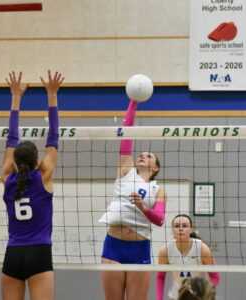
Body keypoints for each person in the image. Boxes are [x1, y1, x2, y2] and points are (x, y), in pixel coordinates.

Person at [0, 71, 63, 300]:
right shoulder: (44, 175)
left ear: (14, 162)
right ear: (37, 160)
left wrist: (15, 98)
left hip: (13, 253)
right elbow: (53, 137)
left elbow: (10, 140)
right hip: (39, 252)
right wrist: (52, 95)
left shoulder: (7, 178)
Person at [98, 97, 167, 300]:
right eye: (141, 154)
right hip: (113, 246)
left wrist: (143, 208)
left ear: (156, 168)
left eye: (149, 156)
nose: (142, 156)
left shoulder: (158, 190)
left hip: (139, 249)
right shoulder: (126, 170)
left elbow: (160, 220)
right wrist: (133, 103)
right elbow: (126, 134)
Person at [156, 214, 220, 300]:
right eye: (177, 226)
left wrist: (204, 290)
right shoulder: (165, 250)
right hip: (176, 296)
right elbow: (160, 277)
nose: (180, 229)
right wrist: (159, 299)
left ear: (191, 230)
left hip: (198, 297)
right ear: (172, 230)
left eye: (185, 226)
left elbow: (215, 277)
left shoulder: (202, 248)